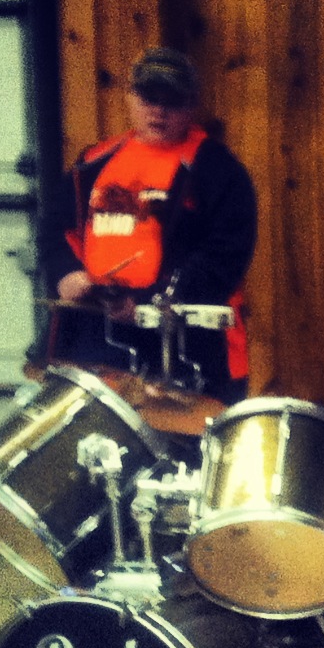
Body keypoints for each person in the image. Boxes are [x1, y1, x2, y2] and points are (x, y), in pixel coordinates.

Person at [37, 47, 257, 406]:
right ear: (130, 96)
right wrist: (65, 272)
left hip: (181, 346)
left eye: (172, 101)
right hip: (94, 337)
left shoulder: (217, 169)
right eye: (149, 98)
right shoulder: (93, 162)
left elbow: (224, 257)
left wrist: (146, 301)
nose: (159, 110)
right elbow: (54, 227)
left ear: (192, 104)